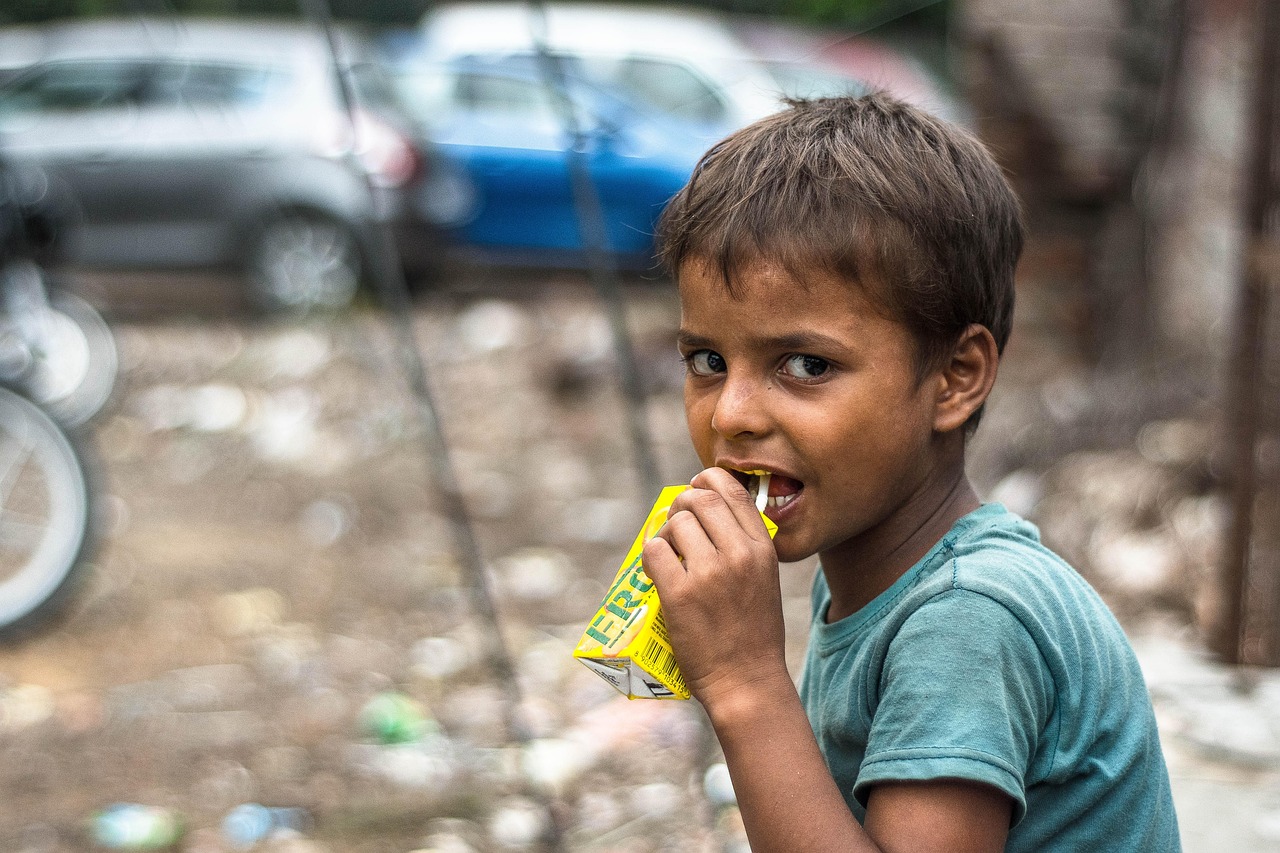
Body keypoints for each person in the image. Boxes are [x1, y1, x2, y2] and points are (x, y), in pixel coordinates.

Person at [640, 92, 1181, 852]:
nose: (731, 412)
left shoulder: (968, 618)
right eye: (707, 360)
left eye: (805, 364)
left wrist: (743, 681)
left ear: (956, 377)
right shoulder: (872, 571)